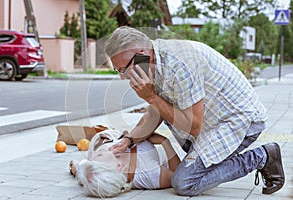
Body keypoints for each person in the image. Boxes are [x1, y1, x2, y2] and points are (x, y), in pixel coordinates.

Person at [105, 26, 285, 196]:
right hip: (210, 122)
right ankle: (207, 159)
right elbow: (157, 111)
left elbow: (193, 126)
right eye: (117, 70)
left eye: (122, 69)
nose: (122, 76)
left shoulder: (180, 65)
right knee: (164, 109)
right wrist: (129, 140)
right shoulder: (154, 62)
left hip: (238, 121)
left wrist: (151, 96)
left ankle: (262, 156)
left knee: (184, 182)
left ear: (140, 56)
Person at [69, 129, 180, 198]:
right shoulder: (147, 174)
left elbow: (82, 169)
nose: (93, 155)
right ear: (118, 167)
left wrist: (75, 167)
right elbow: (176, 176)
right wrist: (165, 142)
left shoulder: (93, 168)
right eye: (98, 157)